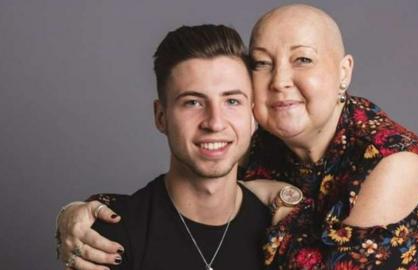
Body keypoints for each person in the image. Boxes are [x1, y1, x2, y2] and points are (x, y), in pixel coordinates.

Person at [57, 4, 418, 269]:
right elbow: (187, 193)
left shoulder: (393, 162)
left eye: (302, 59)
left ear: (344, 71)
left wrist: (280, 201)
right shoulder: (264, 135)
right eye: (263, 64)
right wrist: (80, 213)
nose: (280, 81)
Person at [57, 24, 299, 270]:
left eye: (232, 101)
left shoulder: (284, 226)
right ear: (161, 117)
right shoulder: (110, 236)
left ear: (252, 116)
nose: (215, 122)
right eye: (193, 102)